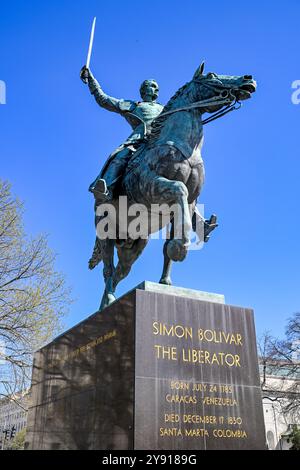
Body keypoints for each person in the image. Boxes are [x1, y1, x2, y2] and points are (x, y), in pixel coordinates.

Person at [80, 66, 163, 201]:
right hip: (139, 141)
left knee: (186, 165)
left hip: (163, 140)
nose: (156, 89)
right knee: (120, 156)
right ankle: (106, 188)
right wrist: (91, 80)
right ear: (144, 90)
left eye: (157, 87)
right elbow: (104, 100)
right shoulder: (133, 106)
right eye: (152, 86)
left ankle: (195, 215)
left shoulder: (164, 108)